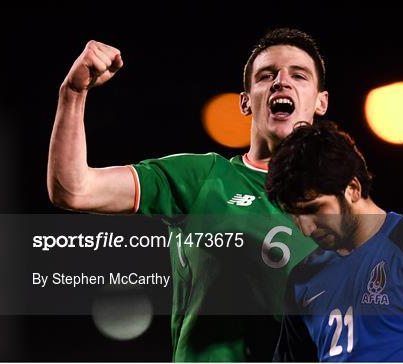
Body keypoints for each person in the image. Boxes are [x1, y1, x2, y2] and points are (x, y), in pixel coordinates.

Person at [47, 29, 328, 361]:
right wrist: (74, 92)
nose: (281, 81)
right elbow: (74, 189)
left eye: (299, 75)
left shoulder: (343, 208)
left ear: (320, 101)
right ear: (245, 101)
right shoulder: (204, 178)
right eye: (267, 76)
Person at [265, 121, 403, 362]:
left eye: (314, 209)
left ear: (352, 188)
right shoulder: (302, 278)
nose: (306, 228)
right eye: (294, 215)